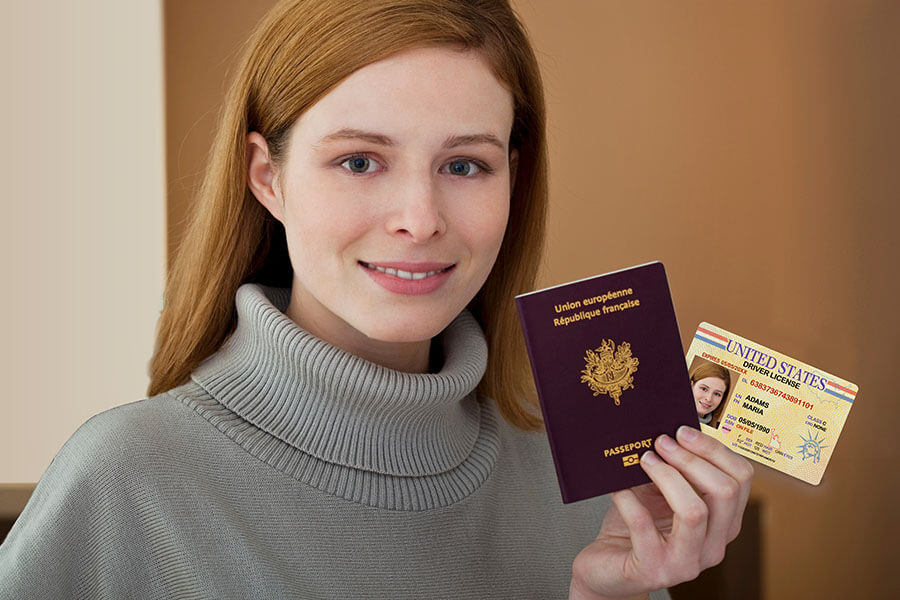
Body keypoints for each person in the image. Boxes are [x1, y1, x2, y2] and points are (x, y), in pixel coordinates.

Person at [0, 1, 753, 598]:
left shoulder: (587, 487)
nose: (419, 218)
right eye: (360, 160)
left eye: (464, 165)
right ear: (268, 178)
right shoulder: (128, 481)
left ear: (513, 181)